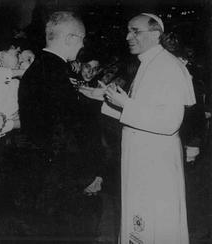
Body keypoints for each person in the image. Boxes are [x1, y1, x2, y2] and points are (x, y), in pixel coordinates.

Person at [103, 13, 195, 243]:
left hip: (155, 163)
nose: (127, 36)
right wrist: (104, 101)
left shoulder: (168, 67)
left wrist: (124, 104)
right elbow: (141, 113)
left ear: (155, 35)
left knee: (155, 224)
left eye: (135, 31)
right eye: (128, 30)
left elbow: (169, 122)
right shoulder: (148, 63)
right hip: (140, 159)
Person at [18, 11, 102, 218]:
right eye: (82, 39)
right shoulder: (56, 73)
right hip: (55, 177)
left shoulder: (42, 67)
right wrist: (86, 176)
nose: (83, 46)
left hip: (40, 170)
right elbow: (63, 132)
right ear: (70, 38)